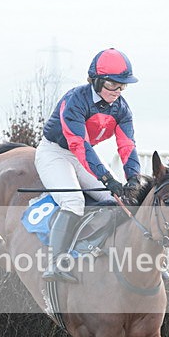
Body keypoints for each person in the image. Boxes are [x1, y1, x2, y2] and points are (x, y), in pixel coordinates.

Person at [35, 48, 142, 283]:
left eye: (123, 86)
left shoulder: (122, 110)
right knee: (73, 202)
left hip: (82, 155)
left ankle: (99, 250)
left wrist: (133, 177)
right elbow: (79, 145)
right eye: (114, 84)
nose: (119, 91)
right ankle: (56, 262)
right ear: (96, 81)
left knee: (118, 201)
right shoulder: (75, 100)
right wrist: (107, 179)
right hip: (55, 153)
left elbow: (126, 145)